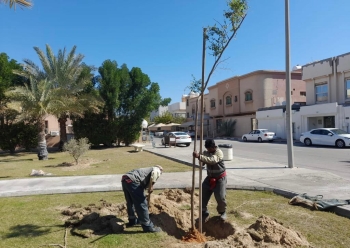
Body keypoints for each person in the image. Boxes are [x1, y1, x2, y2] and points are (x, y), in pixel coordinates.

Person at [193, 139, 227, 221]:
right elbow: (202, 163)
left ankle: (222, 212)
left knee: (220, 196)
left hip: (220, 178)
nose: (209, 150)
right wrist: (199, 158)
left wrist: (199, 156)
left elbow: (212, 161)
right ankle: (204, 212)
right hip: (209, 178)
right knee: (203, 194)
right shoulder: (206, 153)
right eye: (207, 149)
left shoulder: (219, 152)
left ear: (214, 147)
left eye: (210, 149)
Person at [121, 165, 163, 232]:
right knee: (142, 203)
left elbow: (142, 184)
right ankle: (148, 226)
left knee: (130, 202)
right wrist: (151, 186)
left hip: (125, 180)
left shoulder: (145, 171)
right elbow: (155, 173)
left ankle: (132, 220)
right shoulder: (156, 169)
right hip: (132, 181)